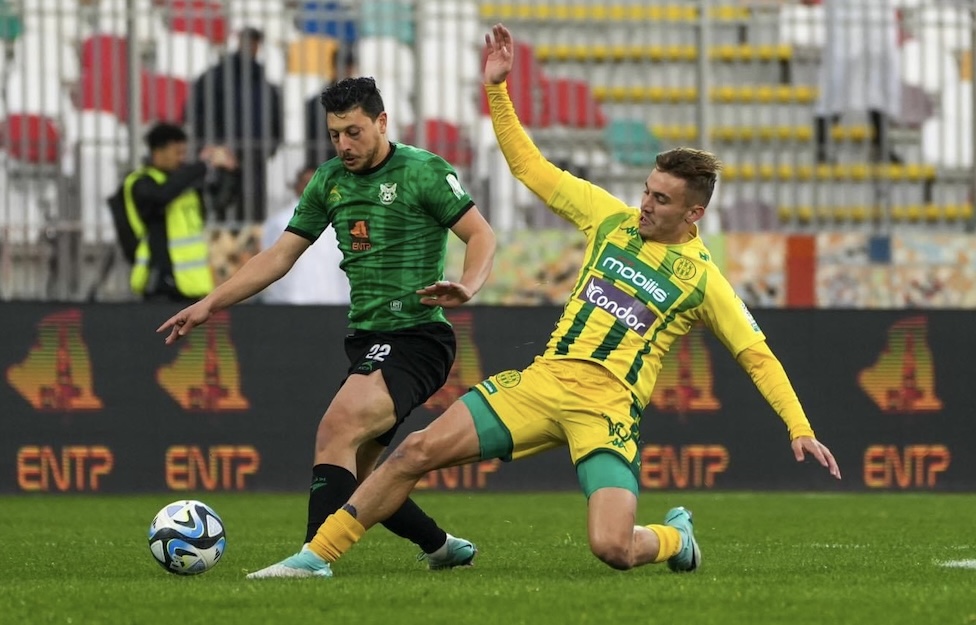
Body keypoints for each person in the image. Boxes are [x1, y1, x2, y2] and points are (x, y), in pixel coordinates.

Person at [260, 24, 843, 578]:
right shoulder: (608, 218)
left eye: (661, 200)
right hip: (543, 384)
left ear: (695, 213)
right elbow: (529, 167)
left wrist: (798, 426)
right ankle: (317, 556)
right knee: (413, 451)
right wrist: (498, 90)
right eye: (645, 190)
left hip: (607, 411)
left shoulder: (704, 281)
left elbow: (755, 353)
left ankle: (675, 539)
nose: (644, 204)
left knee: (613, 547)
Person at [157, 76, 497, 578]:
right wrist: (210, 303)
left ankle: (313, 556)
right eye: (335, 134)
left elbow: (480, 234)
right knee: (363, 477)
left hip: (418, 337)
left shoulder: (424, 171)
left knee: (335, 430)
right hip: (367, 338)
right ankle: (441, 546)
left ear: (382, 122)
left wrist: (468, 284)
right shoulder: (329, 180)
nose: (343, 144)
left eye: (354, 132)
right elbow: (278, 257)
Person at [114, 122, 237, 303]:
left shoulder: (186, 183)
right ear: (158, 152)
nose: (182, 158)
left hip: (193, 284)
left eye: (184, 153)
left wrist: (228, 172)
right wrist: (202, 165)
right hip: (158, 283)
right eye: (177, 153)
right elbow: (162, 195)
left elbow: (220, 202)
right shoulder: (140, 182)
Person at [187, 27, 284, 222]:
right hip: (219, 165)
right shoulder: (214, 78)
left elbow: (276, 130)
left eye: (255, 42)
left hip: (253, 164)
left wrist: (259, 152)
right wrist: (216, 150)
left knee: (251, 222)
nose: (251, 47)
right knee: (221, 219)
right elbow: (196, 117)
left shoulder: (265, 86)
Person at [810, 0, 902, 163]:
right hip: (844, 11)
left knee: (880, 72)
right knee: (838, 74)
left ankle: (880, 143)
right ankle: (822, 145)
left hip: (878, 11)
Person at [260, 165, 350, 304]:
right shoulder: (280, 221)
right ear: (297, 186)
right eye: (308, 183)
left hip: (334, 302)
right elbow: (271, 262)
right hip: (293, 302)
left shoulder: (342, 219)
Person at [305, 45, 357, 167]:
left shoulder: (361, 101)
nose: (347, 72)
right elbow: (313, 144)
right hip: (328, 163)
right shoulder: (317, 104)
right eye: (345, 67)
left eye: (349, 67)